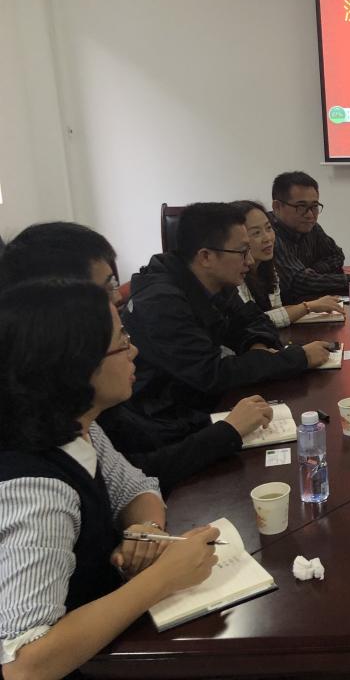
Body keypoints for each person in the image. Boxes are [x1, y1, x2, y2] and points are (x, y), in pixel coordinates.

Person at [0, 279, 219, 680]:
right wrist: (163, 577)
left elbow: (136, 487)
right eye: (123, 341)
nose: (135, 351)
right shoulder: (35, 489)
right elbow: (24, 665)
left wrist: (145, 530)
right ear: (76, 365)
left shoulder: (77, 427)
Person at [0, 221, 277, 493]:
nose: (118, 299)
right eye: (106, 288)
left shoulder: (86, 406)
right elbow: (139, 469)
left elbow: (131, 475)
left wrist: (221, 424)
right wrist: (225, 431)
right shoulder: (40, 438)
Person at [123, 203, 332, 421]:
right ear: (206, 256)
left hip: (203, 403)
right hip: (164, 419)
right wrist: (298, 358)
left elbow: (255, 320)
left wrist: (258, 346)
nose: (250, 261)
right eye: (242, 252)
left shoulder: (215, 279)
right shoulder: (161, 303)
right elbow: (211, 373)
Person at [269, 171, 350, 303]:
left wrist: (314, 271)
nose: (310, 215)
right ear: (277, 206)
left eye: (314, 206)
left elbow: (337, 255)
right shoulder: (268, 234)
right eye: (301, 207)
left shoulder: (310, 226)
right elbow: (298, 283)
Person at [234, 200, 345, 327]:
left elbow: (276, 310)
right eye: (256, 233)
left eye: (268, 228)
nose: (268, 238)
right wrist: (308, 307)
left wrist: (311, 306)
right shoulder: (234, 276)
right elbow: (254, 322)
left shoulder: (267, 267)